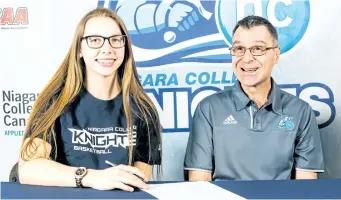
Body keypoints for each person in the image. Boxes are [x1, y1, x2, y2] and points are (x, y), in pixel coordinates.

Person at [17, 7, 162, 192]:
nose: (107, 49)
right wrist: (93, 177)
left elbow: (140, 176)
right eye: (95, 40)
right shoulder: (56, 102)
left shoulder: (143, 109)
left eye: (116, 40)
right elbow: (28, 168)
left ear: (125, 48)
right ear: (79, 50)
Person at [184, 15, 324, 181]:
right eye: (239, 49)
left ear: (276, 55)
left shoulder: (301, 111)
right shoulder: (209, 109)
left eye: (258, 49)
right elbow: (200, 184)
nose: (247, 58)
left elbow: (306, 187)